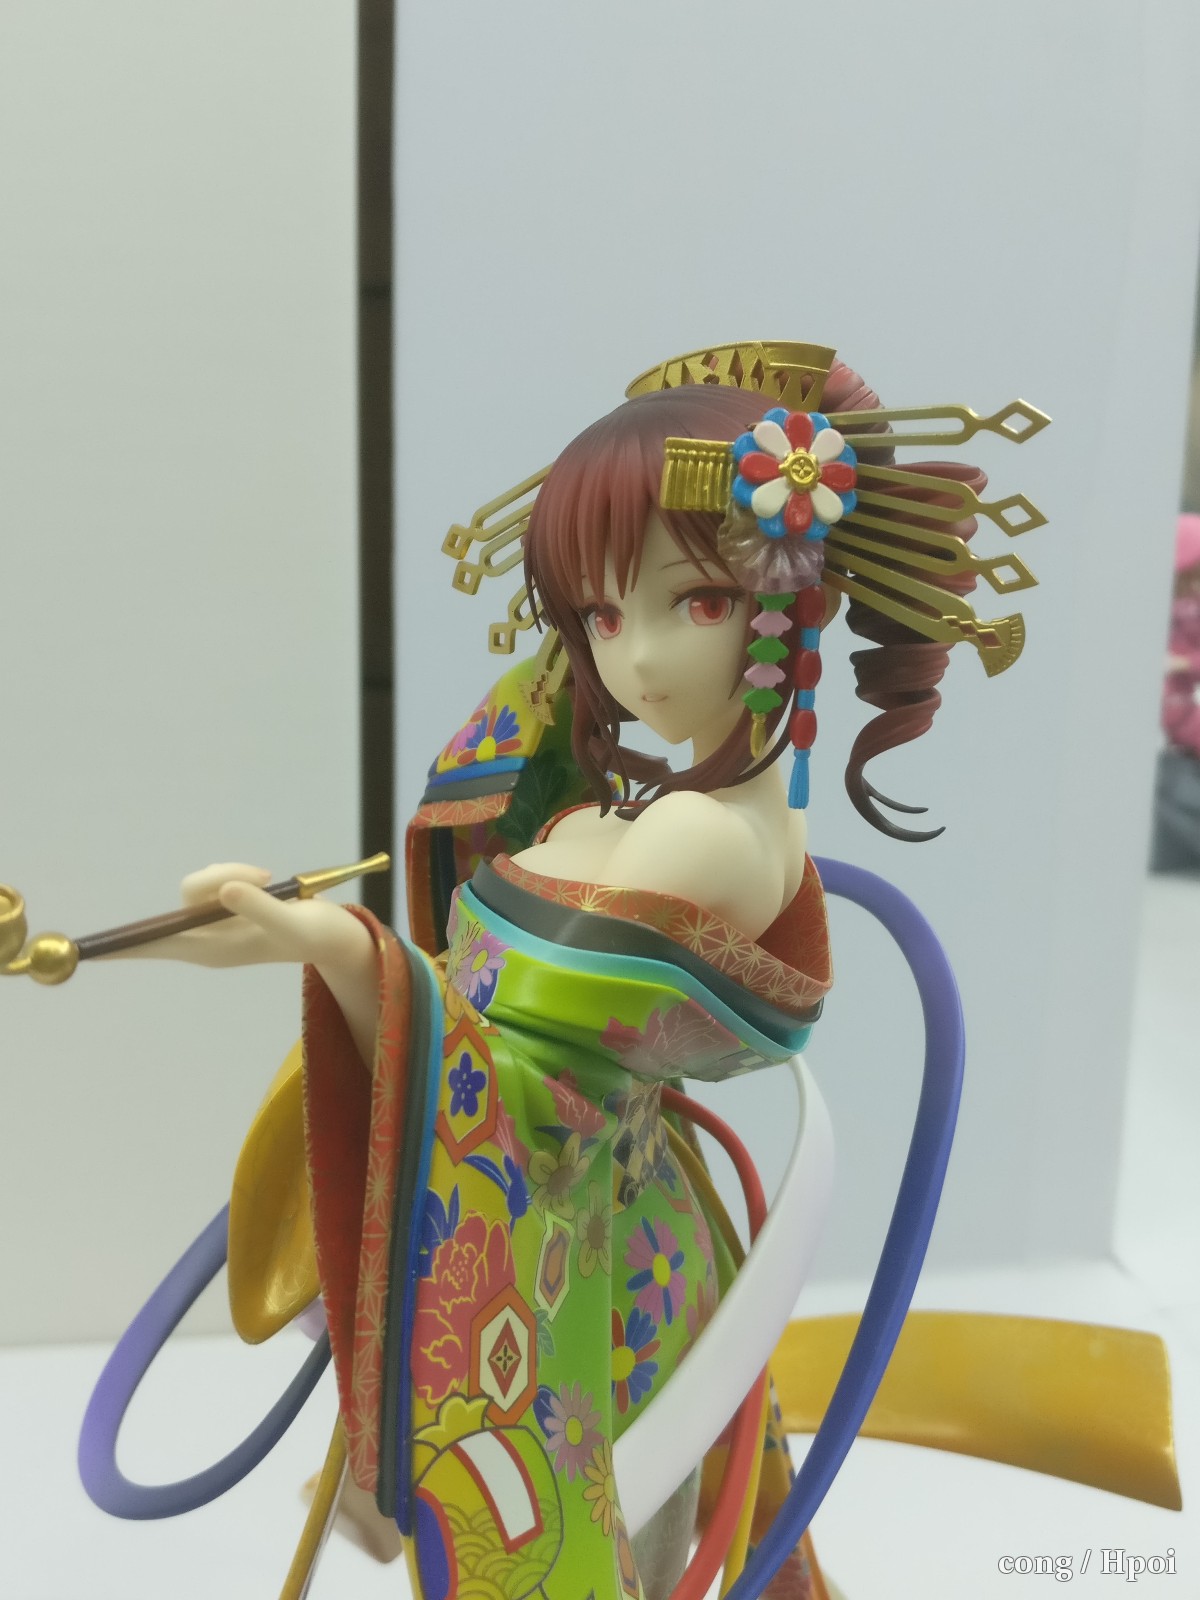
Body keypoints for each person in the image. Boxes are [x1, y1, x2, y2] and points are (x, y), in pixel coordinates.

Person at [91, 343, 1046, 1600]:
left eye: (692, 602)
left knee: (597, 1548)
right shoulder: (669, 807)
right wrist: (308, 934)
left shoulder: (702, 836)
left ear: (786, 599)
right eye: (600, 615)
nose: (634, 660)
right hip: (615, 1222)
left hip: (579, 1275)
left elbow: (525, 1090)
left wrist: (329, 946)